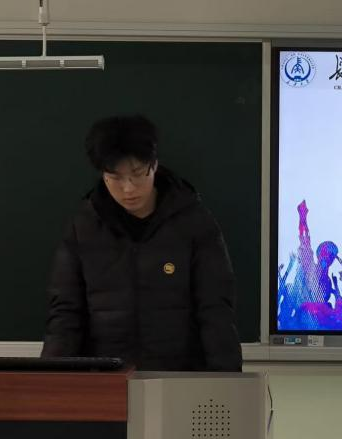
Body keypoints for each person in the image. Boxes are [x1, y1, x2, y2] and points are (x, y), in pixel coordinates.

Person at [41, 115, 242, 371]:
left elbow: (216, 311)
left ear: (154, 165)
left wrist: (228, 382)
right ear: (103, 174)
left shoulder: (194, 223)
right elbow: (65, 315)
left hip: (178, 379)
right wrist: (51, 383)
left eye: (137, 174)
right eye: (115, 177)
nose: (128, 189)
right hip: (107, 379)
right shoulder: (83, 227)